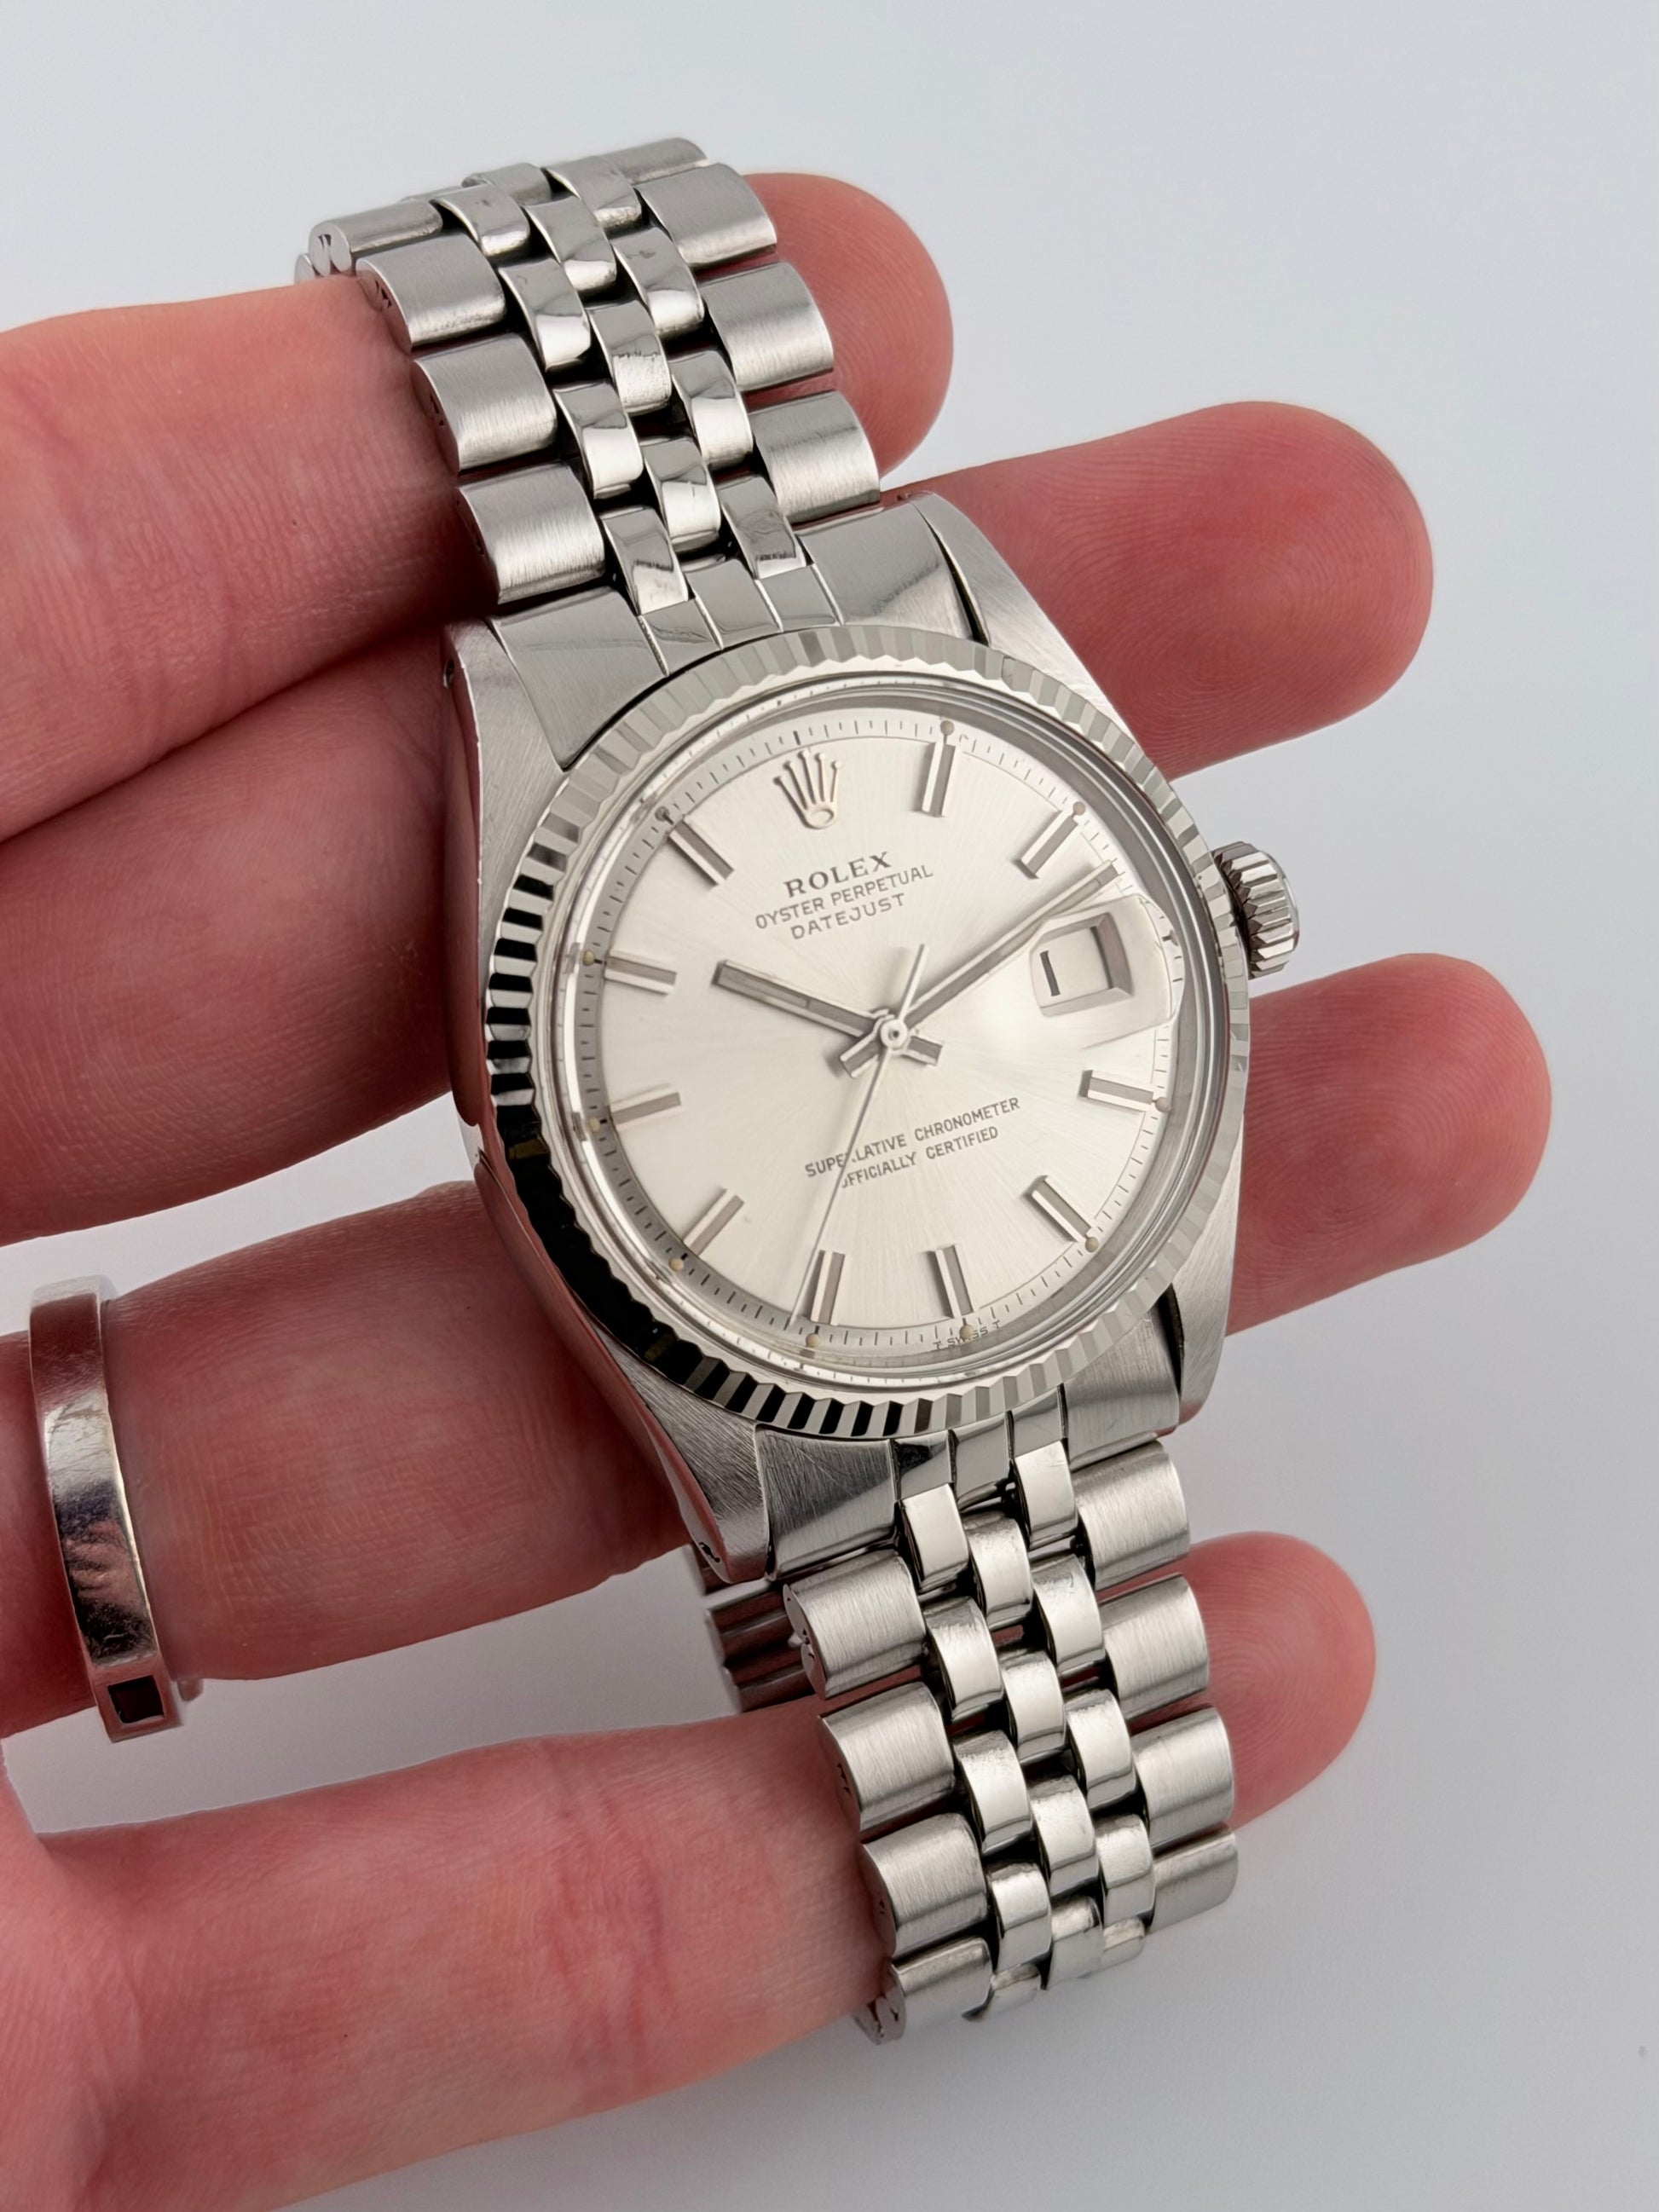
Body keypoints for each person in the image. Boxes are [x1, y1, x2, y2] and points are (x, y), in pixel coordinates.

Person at [0, 173, 1549, 2209]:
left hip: (1046, 1247)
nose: (886, 1033)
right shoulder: (544, 721)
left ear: (1215, 907)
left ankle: (992, 1817)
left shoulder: (961, 628)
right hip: (778, 1310)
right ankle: (973, 1812)